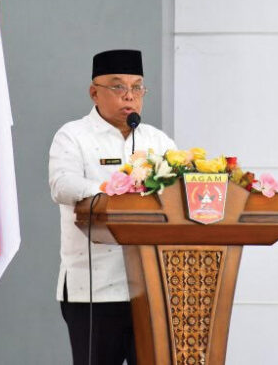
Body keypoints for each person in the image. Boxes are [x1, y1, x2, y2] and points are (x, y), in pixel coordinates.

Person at [49, 49, 176, 365]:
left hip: (150, 289)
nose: (129, 97)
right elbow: (62, 185)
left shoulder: (158, 142)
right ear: (95, 92)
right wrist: (115, 192)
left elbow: (179, 191)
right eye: (118, 87)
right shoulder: (73, 136)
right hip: (94, 290)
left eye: (137, 87)